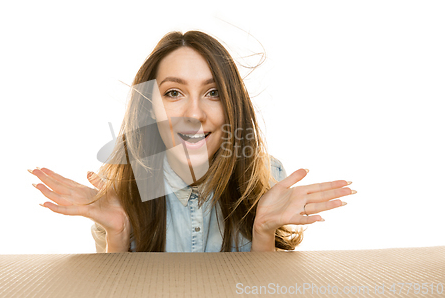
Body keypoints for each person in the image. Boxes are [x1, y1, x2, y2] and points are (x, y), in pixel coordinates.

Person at [28, 30, 356, 253]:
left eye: (213, 93)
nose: (195, 114)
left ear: (232, 107)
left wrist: (264, 231)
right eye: (174, 93)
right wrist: (118, 233)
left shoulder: (267, 177)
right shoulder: (120, 185)